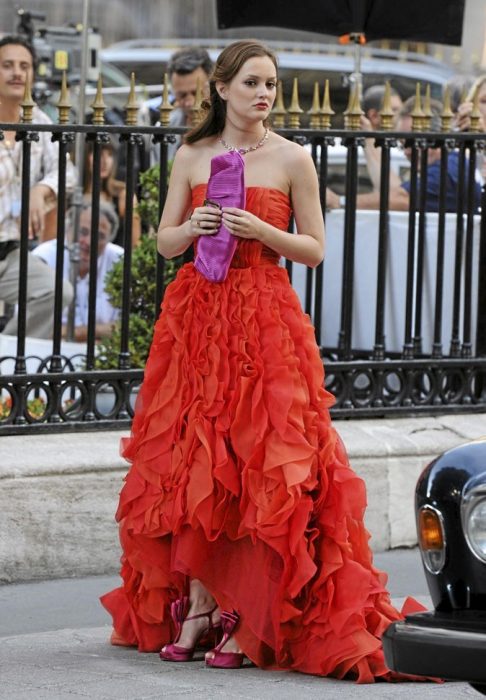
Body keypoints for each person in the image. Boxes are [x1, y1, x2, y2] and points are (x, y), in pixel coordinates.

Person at [101, 40, 427, 682]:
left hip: (266, 318)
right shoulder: (192, 154)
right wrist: (197, 225)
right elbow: (165, 243)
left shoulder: (293, 158)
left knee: (259, 463)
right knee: (200, 459)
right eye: (252, 83)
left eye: (271, 84)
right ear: (221, 88)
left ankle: (245, 615)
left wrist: (261, 231)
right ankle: (197, 606)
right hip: (198, 318)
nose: (264, 94)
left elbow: (313, 249)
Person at [0, 34, 74, 338]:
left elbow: (66, 172)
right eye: (7, 65)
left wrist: (41, 190)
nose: (17, 73)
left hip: (10, 252)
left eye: (24, 66)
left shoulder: (39, 122)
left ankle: (7, 361)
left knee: (57, 293)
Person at [327, 97, 482, 213]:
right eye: (402, 145)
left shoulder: (449, 169)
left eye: (410, 143)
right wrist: (369, 140)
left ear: (435, 138)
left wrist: (340, 201)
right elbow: (394, 190)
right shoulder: (444, 166)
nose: (407, 151)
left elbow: (401, 199)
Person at [33, 201, 123, 342]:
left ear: (109, 240)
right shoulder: (43, 258)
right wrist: (98, 331)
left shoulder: (120, 260)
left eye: (99, 236)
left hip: (103, 355)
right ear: (68, 229)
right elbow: (30, 325)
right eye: (83, 232)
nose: (88, 242)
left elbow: (125, 327)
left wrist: (72, 333)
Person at [149, 47, 214, 161]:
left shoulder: (232, 125)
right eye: (182, 95)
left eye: (196, 93)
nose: (190, 102)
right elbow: (157, 175)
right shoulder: (164, 129)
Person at [83, 139, 141, 248]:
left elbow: (136, 243)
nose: (105, 161)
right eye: (99, 154)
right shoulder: (72, 193)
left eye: (109, 155)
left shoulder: (123, 194)